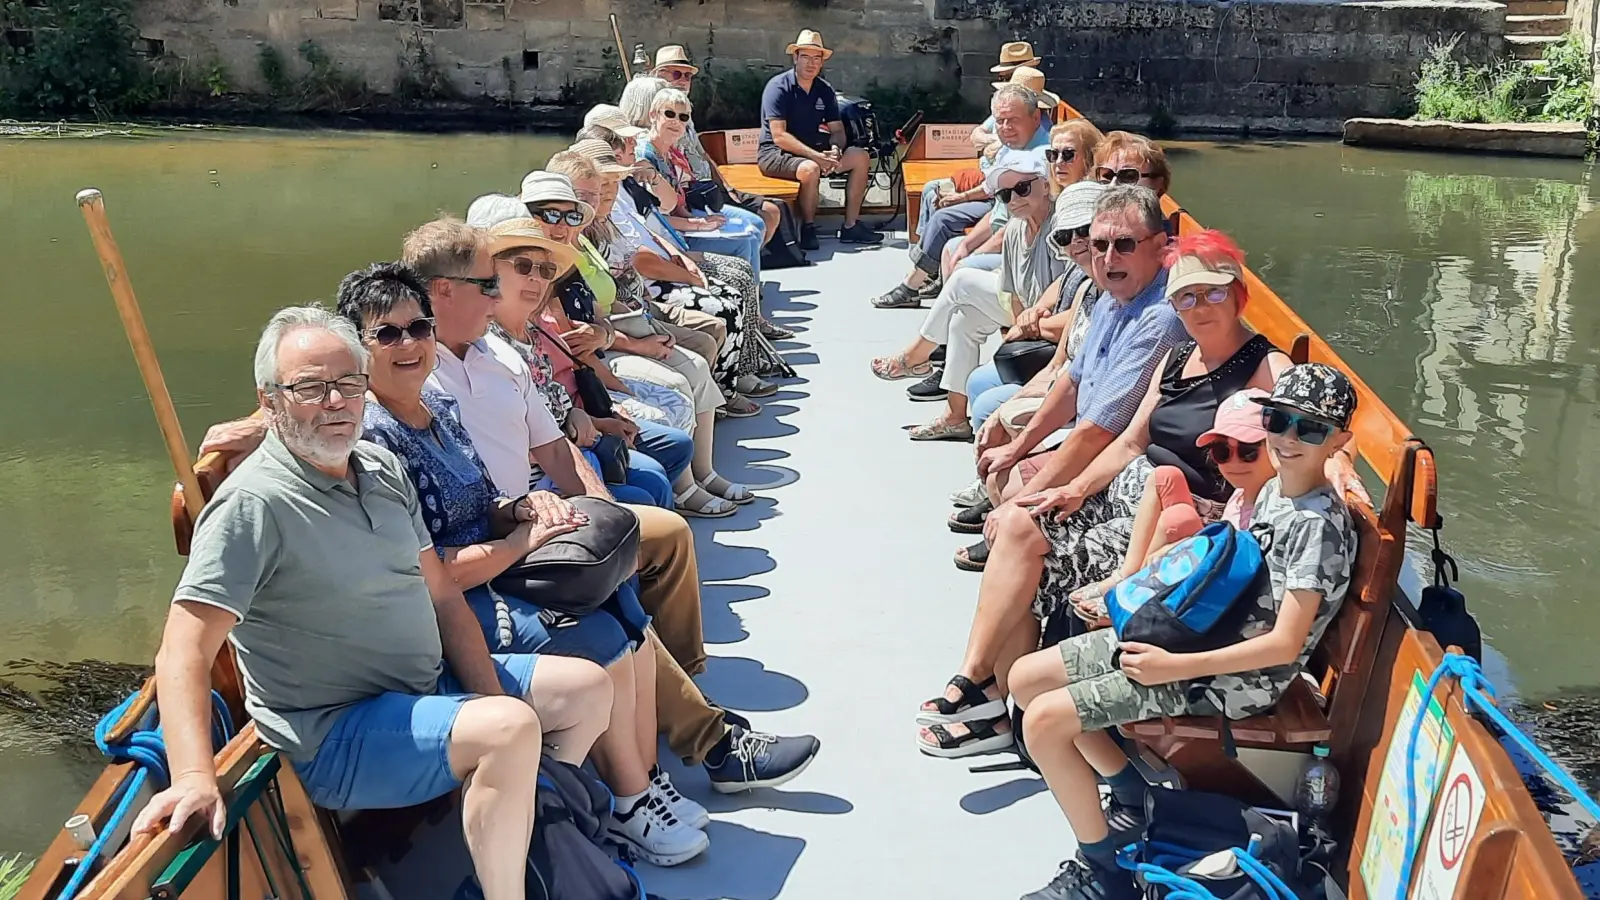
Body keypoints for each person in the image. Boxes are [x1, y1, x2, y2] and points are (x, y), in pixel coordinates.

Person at [133, 307, 613, 900]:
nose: (335, 401)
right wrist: (193, 776)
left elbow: (440, 595)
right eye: (309, 387)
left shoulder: (381, 467)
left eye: (349, 383)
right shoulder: (252, 506)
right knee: (509, 729)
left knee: (587, 690)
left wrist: (487, 695)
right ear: (270, 400)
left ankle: (536, 831)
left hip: (423, 690)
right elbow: (183, 648)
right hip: (338, 731)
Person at [400, 216, 825, 792]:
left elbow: (552, 446)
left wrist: (604, 513)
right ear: (443, 291)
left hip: (539, 513)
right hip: (494, 540)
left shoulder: (498, 357)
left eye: (538, 271)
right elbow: (340, 384)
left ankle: (682, 699)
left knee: (650, 535)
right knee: (617, 588)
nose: (506, 292)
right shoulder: (413, 371)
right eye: (494, 281)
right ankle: (710, 740)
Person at [336, 262, 709, 866]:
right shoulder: (373, 440)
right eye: (386, 334)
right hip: (432, 610)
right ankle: (622, 800)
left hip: (488, 569)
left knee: (621, 601)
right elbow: (434, 574)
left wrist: (524, 507)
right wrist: (524, 542)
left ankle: (628, 786)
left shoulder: (434, 406)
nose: (408, 343)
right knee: (600, 635)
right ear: (356, 347)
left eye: (418, 327)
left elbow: (484, 502)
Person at [1006, 363, 1359, 900]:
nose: (1287, 438)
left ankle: (1104, 874)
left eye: (1308, 429)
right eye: (1278, 420)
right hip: (1205, 641)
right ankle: (1129, 795)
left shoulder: (1316, 527)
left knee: (1045, 722)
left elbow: (1285, 644)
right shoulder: (1275, 492)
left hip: (1236, 676)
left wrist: (1172, 666)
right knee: (1026, 678)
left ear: (1338, 440)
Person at [913, 186, 1189, 751]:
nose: (1108, 258)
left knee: (1017, 523)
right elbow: (1073, 384)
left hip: (1136, 490)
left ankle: (983, 688)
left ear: (1161, 248)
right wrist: (1019, 453)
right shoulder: (1116, 299)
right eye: (1101, 245)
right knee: (1010, 499)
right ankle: (990, 691)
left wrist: (1029, 485)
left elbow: (1102, 429)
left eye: (1125, 246)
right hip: (1112, 470)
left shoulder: (1161, 318)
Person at [870, 148, 1063, 442]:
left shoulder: (1062, 228)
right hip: (1023, 314)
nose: (1014, 199)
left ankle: (915, 356)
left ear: (1046, 185)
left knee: (962, 279)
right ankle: (955, 417)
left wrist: (1025, 326)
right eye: (1005, 195)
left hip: (1052, 321)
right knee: (963, 319)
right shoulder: (1014, 231)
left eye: (1022, 188)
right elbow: (1013, 296)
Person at [947, 181, 1107, 512]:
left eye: (1084, 232)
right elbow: (1057, 364)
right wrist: (1020, 399)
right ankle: (989, 481)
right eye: (1065, 237)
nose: (1076, 242)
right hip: (1062, 378)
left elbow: (1083, 382)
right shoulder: (1087, 288)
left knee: (990, 404)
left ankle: (998, 491)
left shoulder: (1116, 292)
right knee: (981, 384)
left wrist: (1014, 422)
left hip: (1087, 403)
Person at [1067, 388, 1277, 629]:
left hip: (1215, 592)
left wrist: (1180, 550)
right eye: (1222, 452)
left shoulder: (1269, 505)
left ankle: (1135, 601)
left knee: (1178, 520)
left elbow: (1228, 569)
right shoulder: (1241, 494)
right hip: (1212, 558)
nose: (1234, 462)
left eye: (1248, 452)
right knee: (1166, 479)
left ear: (1277, 447)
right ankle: (1128, 578)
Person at [870, 84, 1050, 310]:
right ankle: (936, 315)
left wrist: (973, 252)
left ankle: (919, 295)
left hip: (1027, 251)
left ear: (1036, 117)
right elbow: (998, 211)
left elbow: (1014, 228)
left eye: (1013, 120)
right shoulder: (1014, 145)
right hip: (999, 222)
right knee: (950, 242)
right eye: (1000, 121)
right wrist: (966, 244)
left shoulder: (1040, 160)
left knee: (955, 253)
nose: (1005, 127)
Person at [756, 29, 883, 248]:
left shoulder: (825, 90)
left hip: (815, 152)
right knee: (810, 169)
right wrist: (817, 157)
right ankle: (808, 228)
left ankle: (851, 226)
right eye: (805, 56)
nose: (811, 63)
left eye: (817, 58)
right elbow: (779, 136)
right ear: (795, 58)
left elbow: (837, 130)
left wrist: (835, 150)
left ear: (822, 62)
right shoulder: (777, 88)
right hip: (775, 154)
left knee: (860, 156)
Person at [650, 45, 783, 245]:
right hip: (693, 195)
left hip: (710, 188)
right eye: (677, 74)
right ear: (659, 76)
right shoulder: (656, 117)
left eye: (688, 76)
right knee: (757, 224)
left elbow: (702, 154)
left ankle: (749, 257)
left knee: (772, 211)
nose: (684, 80)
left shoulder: (686, 111)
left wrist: (727, 186)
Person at [638, 86, 765, 281]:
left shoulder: (671, 153)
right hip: (667, 236)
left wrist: (704, 222)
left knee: (753, 229)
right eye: (669, 114)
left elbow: (678, 204)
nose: (676, 122)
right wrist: (697, 224)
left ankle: (751, 299)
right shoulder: (645, 159)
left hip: (680, 223)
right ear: (653, 115)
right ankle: (748, 302)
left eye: (683, 118)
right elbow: (650, 220)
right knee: (744, 242)